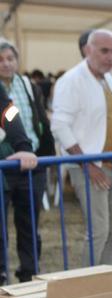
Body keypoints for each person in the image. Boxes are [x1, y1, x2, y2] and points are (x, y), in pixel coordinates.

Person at [51, 29, 112, 267]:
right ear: (88, 50)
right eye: (104, 51)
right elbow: (59, 126)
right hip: (89, 168)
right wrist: (87, 165)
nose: (110, 57)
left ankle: (107, 281)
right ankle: (88, 286)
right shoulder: (71, 80)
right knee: (99, 230)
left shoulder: (109, 79)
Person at [0, 43, 43, 284]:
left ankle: (27, 274)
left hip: (17, 164)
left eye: (9, 58)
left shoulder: (14, 89)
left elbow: (9, 113)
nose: (5, 63)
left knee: (27, 223)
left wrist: (24, 147)